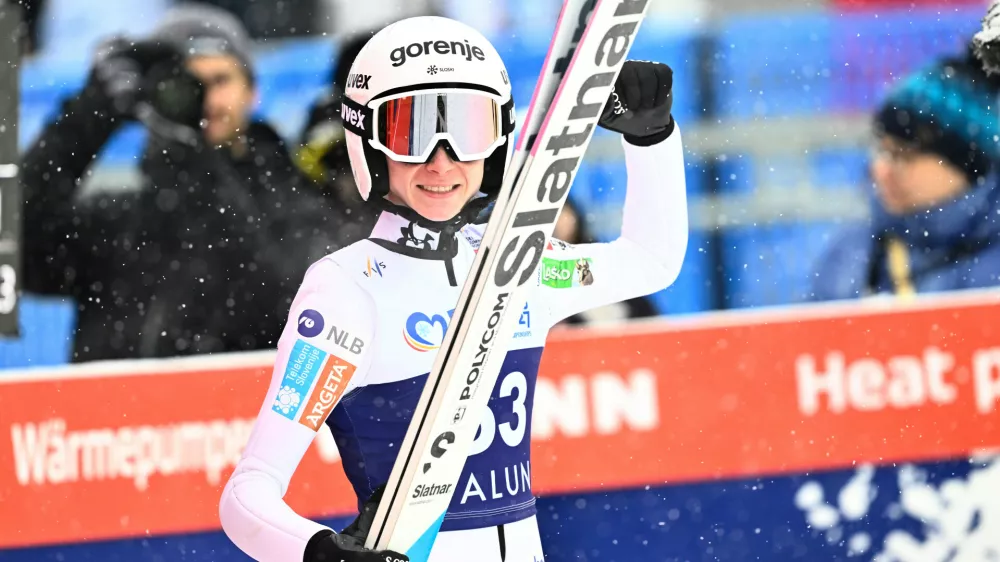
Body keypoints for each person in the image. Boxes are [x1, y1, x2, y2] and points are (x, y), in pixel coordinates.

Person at [219, 15, 689, 562]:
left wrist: (653, 137)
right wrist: (321, 553)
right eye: (409, 134)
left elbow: (649, 261)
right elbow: (247, 493)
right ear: (367, 144)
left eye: (466, 132)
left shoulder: (517, 264)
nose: (441, 161)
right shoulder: (345, 293)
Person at [21, 3, 347, 361]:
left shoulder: (300, 203)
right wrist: (87, 117)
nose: (205, 101)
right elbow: (20, 249)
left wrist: (189, 160)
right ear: (153, 96)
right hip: (118, 415)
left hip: (244, 415)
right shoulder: (119, 224)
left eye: (220, 80)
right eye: (187, 84)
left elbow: (282, 303)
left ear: (253, 91)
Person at [808, 43, 1000, 301]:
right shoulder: (852, 255)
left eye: (902, 155)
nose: (880, 169)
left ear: (967, 165)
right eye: (881, 151)